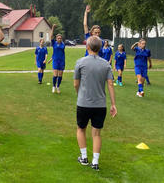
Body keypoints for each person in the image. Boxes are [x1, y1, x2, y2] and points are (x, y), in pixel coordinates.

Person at [74, 36, 117, 171]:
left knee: (81, 129)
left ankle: (84, 157)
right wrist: (113, 104)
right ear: (99, 48)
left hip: (83, 103)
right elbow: (110, 84)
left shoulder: (80, 62)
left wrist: (79, 93)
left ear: (87, 47)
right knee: (96, 134)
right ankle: (95, 162)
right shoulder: (106, 64)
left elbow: (76, 83)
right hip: (100, 105)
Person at [50, 24, 65, 94]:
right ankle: (53, 86)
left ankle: (58, 86)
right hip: (55, 61)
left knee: (60, 75)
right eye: (58, 38)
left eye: (60, 38)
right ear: (56, 39)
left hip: (61, 61)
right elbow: (51, 36)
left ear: (61, 39)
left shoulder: (63, 44)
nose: (59, 39)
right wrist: (52, 28)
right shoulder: (54, 43)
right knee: (55, 75)